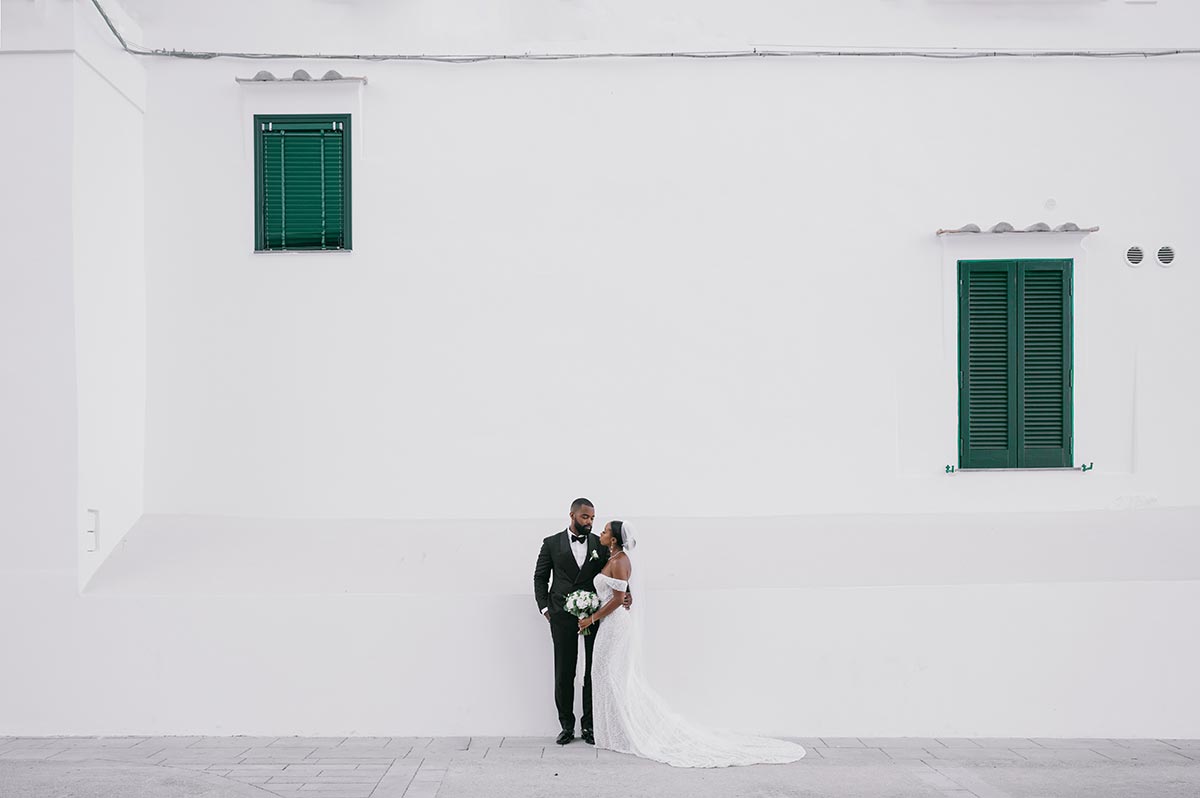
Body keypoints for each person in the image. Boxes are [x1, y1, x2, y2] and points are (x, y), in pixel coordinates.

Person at [584, 519, 806, 767]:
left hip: (615, 625)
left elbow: (617, 599)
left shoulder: (621, 560)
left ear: (613, 539)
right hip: (609, 625)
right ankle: (611, 733)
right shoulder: (612, 559)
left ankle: (622, 733)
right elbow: (622, 593)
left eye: (604, 531)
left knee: (611, 675)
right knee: (603, 674)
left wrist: (590, 618)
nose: (600, 533)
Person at [533, 498, 631, 746]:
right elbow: (540, 577)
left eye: (593, 519)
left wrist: (627, 594)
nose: (589, 522)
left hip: (594, 616)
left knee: (592, 672)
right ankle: (567, 726)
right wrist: (546, 609)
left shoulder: (600, 543)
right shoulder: (551, 543)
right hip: (561, 616)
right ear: (573, 515)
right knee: (564, 671)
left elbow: (615, 570)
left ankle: (589, 726)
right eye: (585, 517)